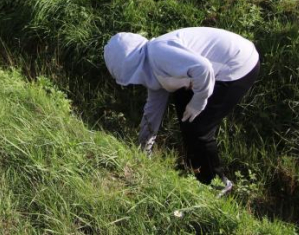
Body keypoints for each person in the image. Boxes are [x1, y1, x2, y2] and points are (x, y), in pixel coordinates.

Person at [104, 27, 260, 191]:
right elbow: (153, 112)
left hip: (238, 63)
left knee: (199, 127)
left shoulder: (160, 53)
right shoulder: (152, 69)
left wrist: (198, 102)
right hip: (208, 71)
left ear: (131, 65)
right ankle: (195, 170)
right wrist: (143, 149)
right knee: (186, 116)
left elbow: (204, 68)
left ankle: (216, 184)